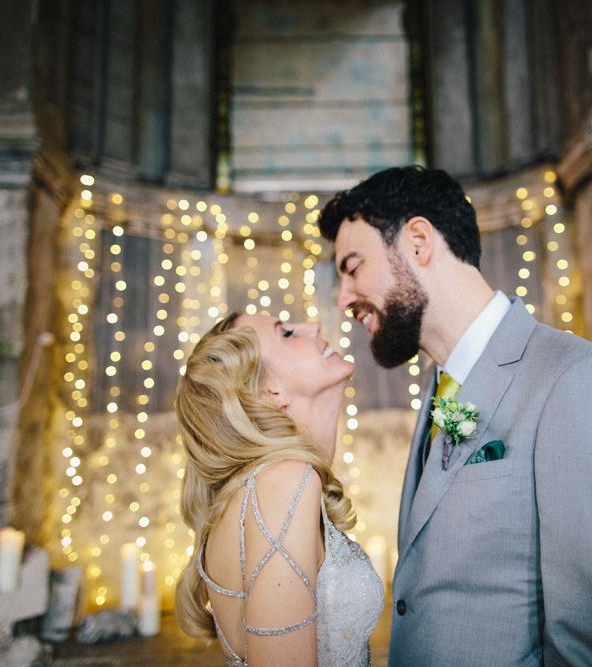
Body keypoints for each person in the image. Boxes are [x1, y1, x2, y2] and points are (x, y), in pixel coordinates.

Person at [318, 165, 592, 666]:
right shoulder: (442, 384)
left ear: (418, 241)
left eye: (353, 266)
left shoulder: (568, 377)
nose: (344, 299)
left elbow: (581, 635)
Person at [174, 312, 384, 666]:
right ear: (267, 392)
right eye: (286, 333)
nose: (314, 326)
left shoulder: (268, 482)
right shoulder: (286, 481)